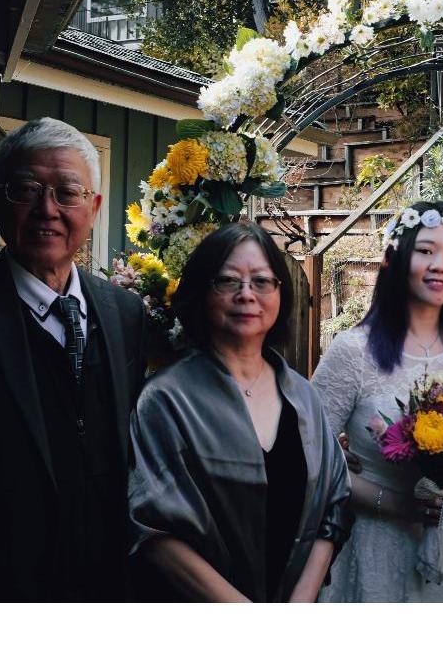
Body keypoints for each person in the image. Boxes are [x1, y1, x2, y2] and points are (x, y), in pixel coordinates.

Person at [0, 117, 147, 601]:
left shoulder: (125, 313)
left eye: (68, 192)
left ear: (95, 207)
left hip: (108, 584)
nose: (48, 210)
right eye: (26, 190)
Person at [127, 222, 351, 602]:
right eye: (228, 281)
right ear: (201, 292)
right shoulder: (166, 399)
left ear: (281, 293)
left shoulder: (303, 396)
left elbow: (334, 505)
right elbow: (154, 528)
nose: (247, 295)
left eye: (262, 281)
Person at [312, 200, 443, 602]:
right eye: (425, 250)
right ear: (395, 258)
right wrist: (393, 503)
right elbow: (310, 457)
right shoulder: (354, 351)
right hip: (374, 545)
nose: (440, 264)